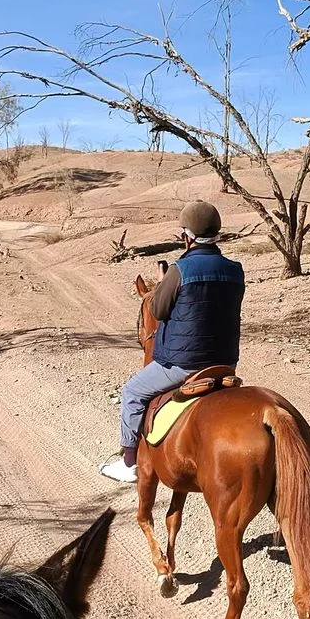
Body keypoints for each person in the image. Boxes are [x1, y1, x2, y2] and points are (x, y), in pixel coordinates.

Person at [99, 200, 245, 484]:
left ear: (186, 237)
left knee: (132, 392)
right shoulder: (235, 270)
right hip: (225, 363)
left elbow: (158, 310)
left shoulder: (180, 270)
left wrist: (165, 283)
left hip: (183, 364)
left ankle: (129, 462)